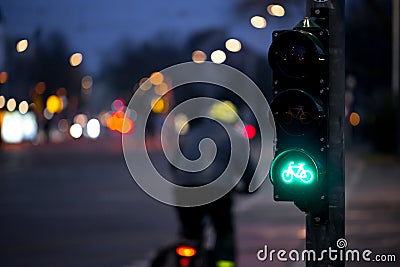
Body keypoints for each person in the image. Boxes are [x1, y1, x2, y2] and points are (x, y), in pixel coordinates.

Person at [169, 101, 257, 267]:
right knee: (224, 230)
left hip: (184, 189)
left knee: (190, 230)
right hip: (217, 190)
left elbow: (173, 164)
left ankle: (184, 258)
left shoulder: (192, 133)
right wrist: (249, 188)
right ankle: (225, 263)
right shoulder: (235, 136)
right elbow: (246, 167)